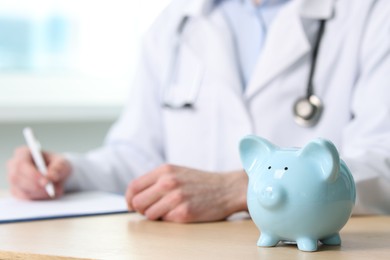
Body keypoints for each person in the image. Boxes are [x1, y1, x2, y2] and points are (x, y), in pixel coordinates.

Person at [7, 0, 390, 222]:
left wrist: (243, 187)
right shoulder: (175, 21)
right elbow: (137, 153)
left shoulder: (371, 13)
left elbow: (381, 161)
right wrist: (67, 171)